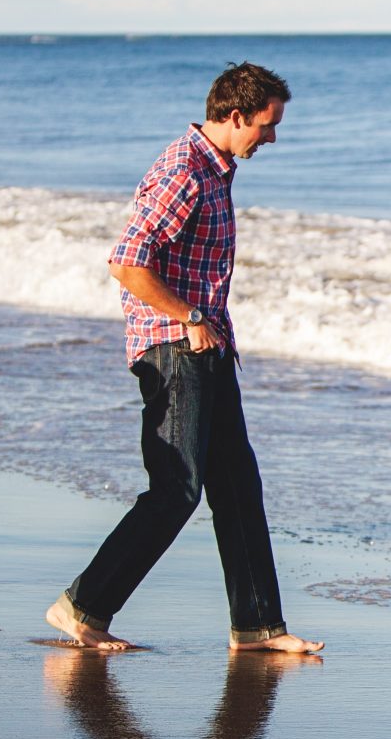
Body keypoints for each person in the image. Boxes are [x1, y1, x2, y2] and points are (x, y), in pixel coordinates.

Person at [46, 62, 322, 655]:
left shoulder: (215, 170)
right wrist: (189, 317)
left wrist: (206, 326)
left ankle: (257, 627)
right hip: (175, 348)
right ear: (235, 115)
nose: (271, 138)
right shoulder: (185, 170)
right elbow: (126, 260)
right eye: (267, 126)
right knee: (177, 488)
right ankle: (83, 606)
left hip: (208, 345)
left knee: (238, 488)